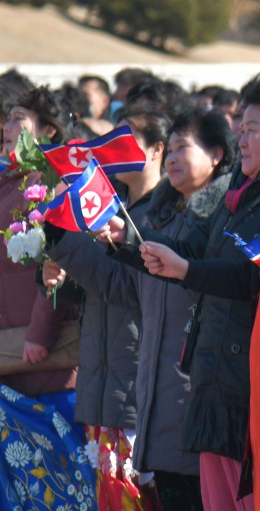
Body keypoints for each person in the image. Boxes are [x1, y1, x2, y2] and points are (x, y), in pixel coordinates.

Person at [99, 76, 260, 511]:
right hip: (214, 380)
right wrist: (132, 242)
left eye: (251, 129)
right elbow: (197, 251)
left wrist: (188, 270)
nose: (240, 139)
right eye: (240, 128)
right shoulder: (239, 194)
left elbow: (249, 277)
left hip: (244, 384)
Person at [42, 110, 166, 506]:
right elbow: (86, 286)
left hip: (135, 387)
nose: (109, 153)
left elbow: (121, 285)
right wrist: (52, 266)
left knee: (142, 497)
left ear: (157, 150)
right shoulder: (106, 207)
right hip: (103, 383)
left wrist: (62, 239)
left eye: (125, 142)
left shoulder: (158, 219)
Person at [0, 86, 95, 509]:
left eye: (19, 118)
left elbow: (58, 262)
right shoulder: (9, 181)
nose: (7, 127)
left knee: (62, 475)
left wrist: (40, 332)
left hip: (42, 354)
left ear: (47, 130)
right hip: (9, 351)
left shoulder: (50, 184)